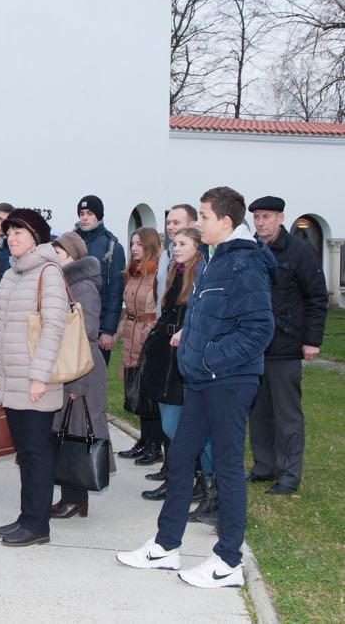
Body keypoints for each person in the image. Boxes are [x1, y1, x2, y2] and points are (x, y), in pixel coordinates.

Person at [117, 186, 274, 589]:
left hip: (229, 381)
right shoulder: (211, 261)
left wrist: (207, 357)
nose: (194, 223)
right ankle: (166, 546)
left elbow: (259, 330)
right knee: (182, 456)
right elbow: (211, 316)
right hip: (202, 380)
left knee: (225, 466)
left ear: (225, 222)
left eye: (201, 216)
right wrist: (190, 341)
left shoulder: (246, 263)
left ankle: (228, 561)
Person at [0, 208, 67, 547]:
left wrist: (39, 377)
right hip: (11, 378)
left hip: (34, 382)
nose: (12, 237)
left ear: (36, 237)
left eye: (19, 232)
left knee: (36, 453)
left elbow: (54, 327)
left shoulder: (48, 272)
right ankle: (27, 516)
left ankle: (38, 525)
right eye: (9, 232)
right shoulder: (11, 275)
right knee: (25, 453)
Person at [247, 196, 328, 494]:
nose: (260, 223)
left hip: (286, 343)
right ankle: (264, 465)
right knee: (258, 411)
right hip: (255, 346)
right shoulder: (252, 249)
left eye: (266, 217)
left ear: (281, 218)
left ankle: (289, 474)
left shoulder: (300, 251)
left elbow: (317, 297)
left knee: (286, 414)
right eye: (256, 217)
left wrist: (311, 340)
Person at [137, 228, 215, 522]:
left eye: (183, 243)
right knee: (172, 425)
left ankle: (207, 486)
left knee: (192, 428)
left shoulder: (203, 275)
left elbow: (202, 315)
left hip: (185, 358)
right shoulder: (174, 272)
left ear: (198, 246)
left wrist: (187, 333)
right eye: (175, 243)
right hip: (165, 357)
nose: (176, 247)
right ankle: (185, 478)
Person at [49, 231, 113, 519]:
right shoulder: (66, 283)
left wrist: (77, 382)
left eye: (59, 254)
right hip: (70, 368)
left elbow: (84, 336)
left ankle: (76, 498)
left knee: (77, 434)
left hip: (80, 370)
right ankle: (72, 498)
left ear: (73, 256)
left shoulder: (82, 287)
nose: (54, 259)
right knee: (68, 434)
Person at [116, 227, 163, 465]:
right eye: (133, 243)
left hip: (149, 336)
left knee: (149, 391)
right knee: (136, 390)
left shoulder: (159, 275)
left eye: (139, 244)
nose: (134, 248)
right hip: (132, 335)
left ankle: (155, 444)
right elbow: (127, 309)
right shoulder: (132, 274)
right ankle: (145, 440)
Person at [74, 195, 126, 365]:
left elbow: (115, 291)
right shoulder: (71, 241)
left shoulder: (112, 247)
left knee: (94, 381)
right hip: (72, 322)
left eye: (90, 213)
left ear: (99, 215)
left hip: (98, 325)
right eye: (82, 213)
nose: (85, 217)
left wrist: (109, 330)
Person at [156, 204, 197, 308]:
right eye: (168, 223)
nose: (170, 227)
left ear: (192, 225)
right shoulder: (164, 255)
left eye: (176, 223)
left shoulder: (202, 260)